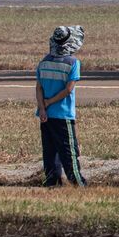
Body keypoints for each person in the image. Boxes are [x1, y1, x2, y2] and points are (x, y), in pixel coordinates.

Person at [35, 25, 86, 187]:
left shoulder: (44, 62)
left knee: (49, 152)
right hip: (63, 115)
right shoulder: (73, 63)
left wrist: (43, 107)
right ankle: (78, 183)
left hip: (45, 115)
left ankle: (52, 183)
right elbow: (68, 89)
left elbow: (38, 87)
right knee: (69, 151)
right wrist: (50, 102)